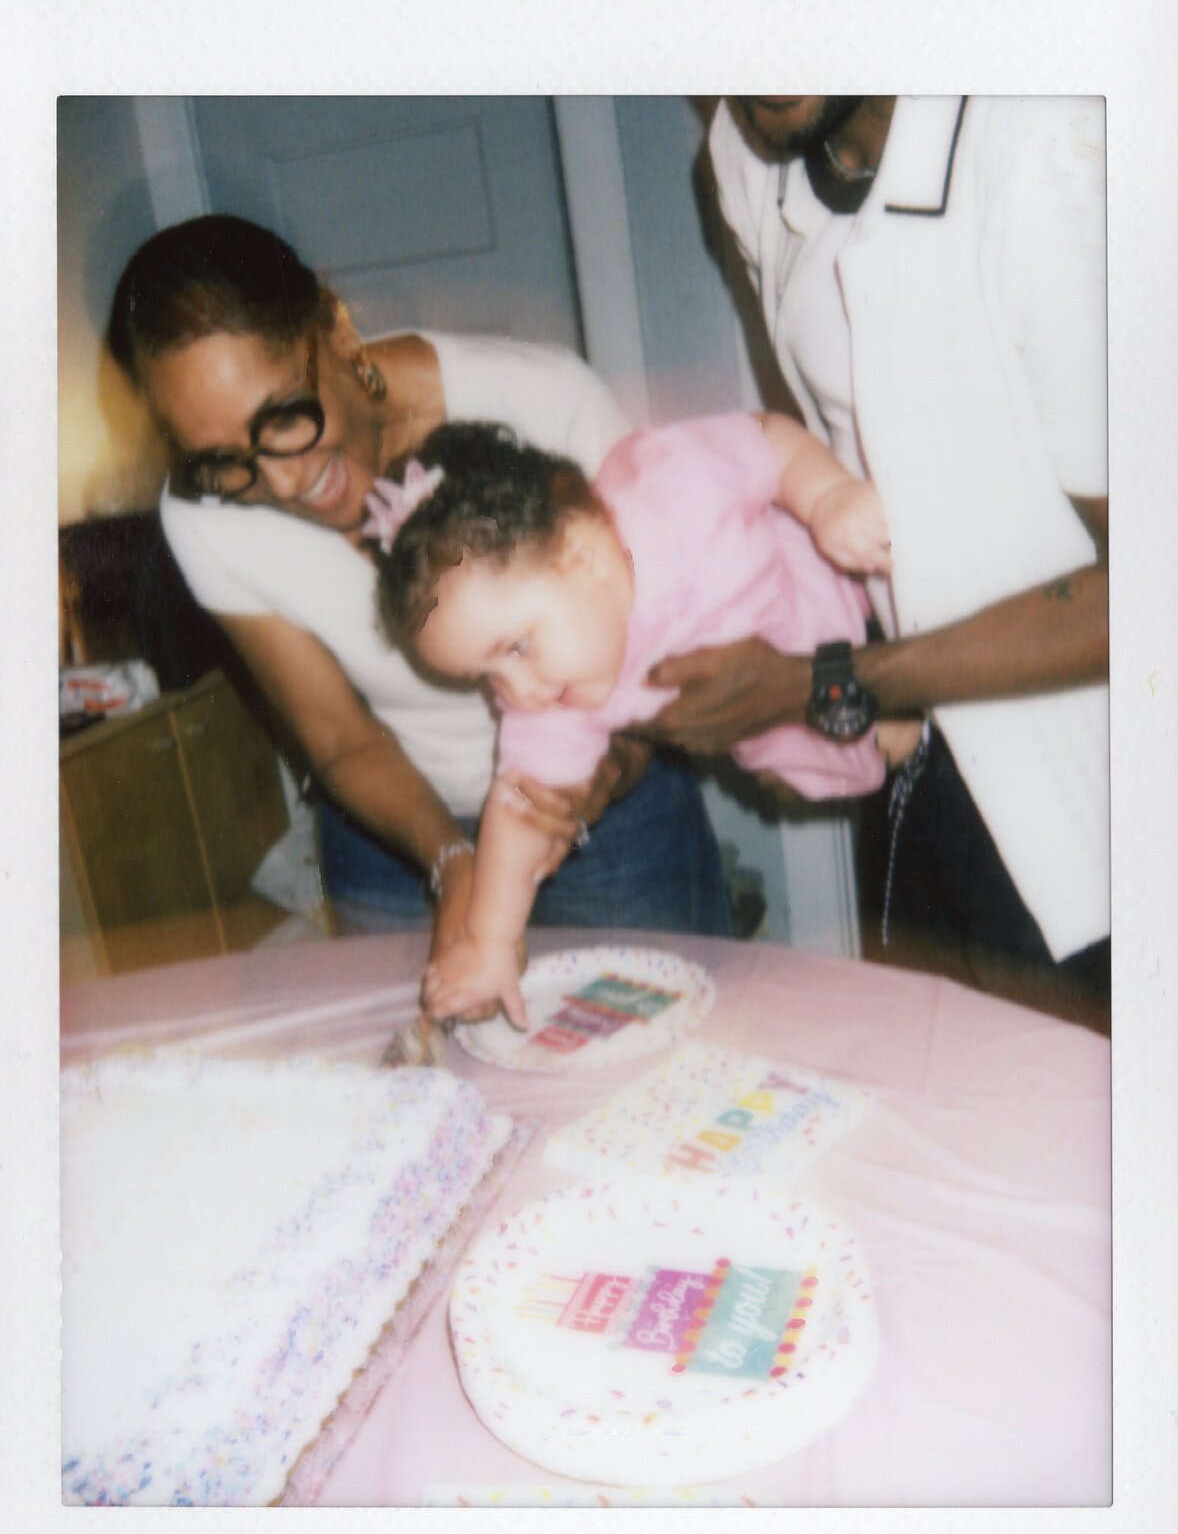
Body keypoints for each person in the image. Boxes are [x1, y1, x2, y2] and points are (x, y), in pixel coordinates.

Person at [105, 214, 732, 994]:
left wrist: (604, 773)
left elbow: (664, 632)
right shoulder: (204, 515)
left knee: (661, 1065)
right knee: (425, 1096)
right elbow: (338, 739)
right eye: (224, 460)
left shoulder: (538, 398)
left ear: (334, 328)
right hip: (395, 838)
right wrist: (451, 860)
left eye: (284, 416)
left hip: (608, 809)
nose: (285, 484)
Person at [639, 97, 1110, 1021]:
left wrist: (824, 682)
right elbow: (826, 461)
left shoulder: (1042, 151)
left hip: (1091, 782)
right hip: (917, 749)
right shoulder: (745, 150)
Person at [368, 412, 896, 1025]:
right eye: (486, 677)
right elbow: (518, 812)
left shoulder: (669, 499)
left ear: (585, 556)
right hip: (805, 723)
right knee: (867, 776)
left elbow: (768, 441)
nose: (517, 691)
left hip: (853, 590)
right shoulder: (553, 688)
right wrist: (488, 945)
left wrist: (828, 496)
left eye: (515, 647)